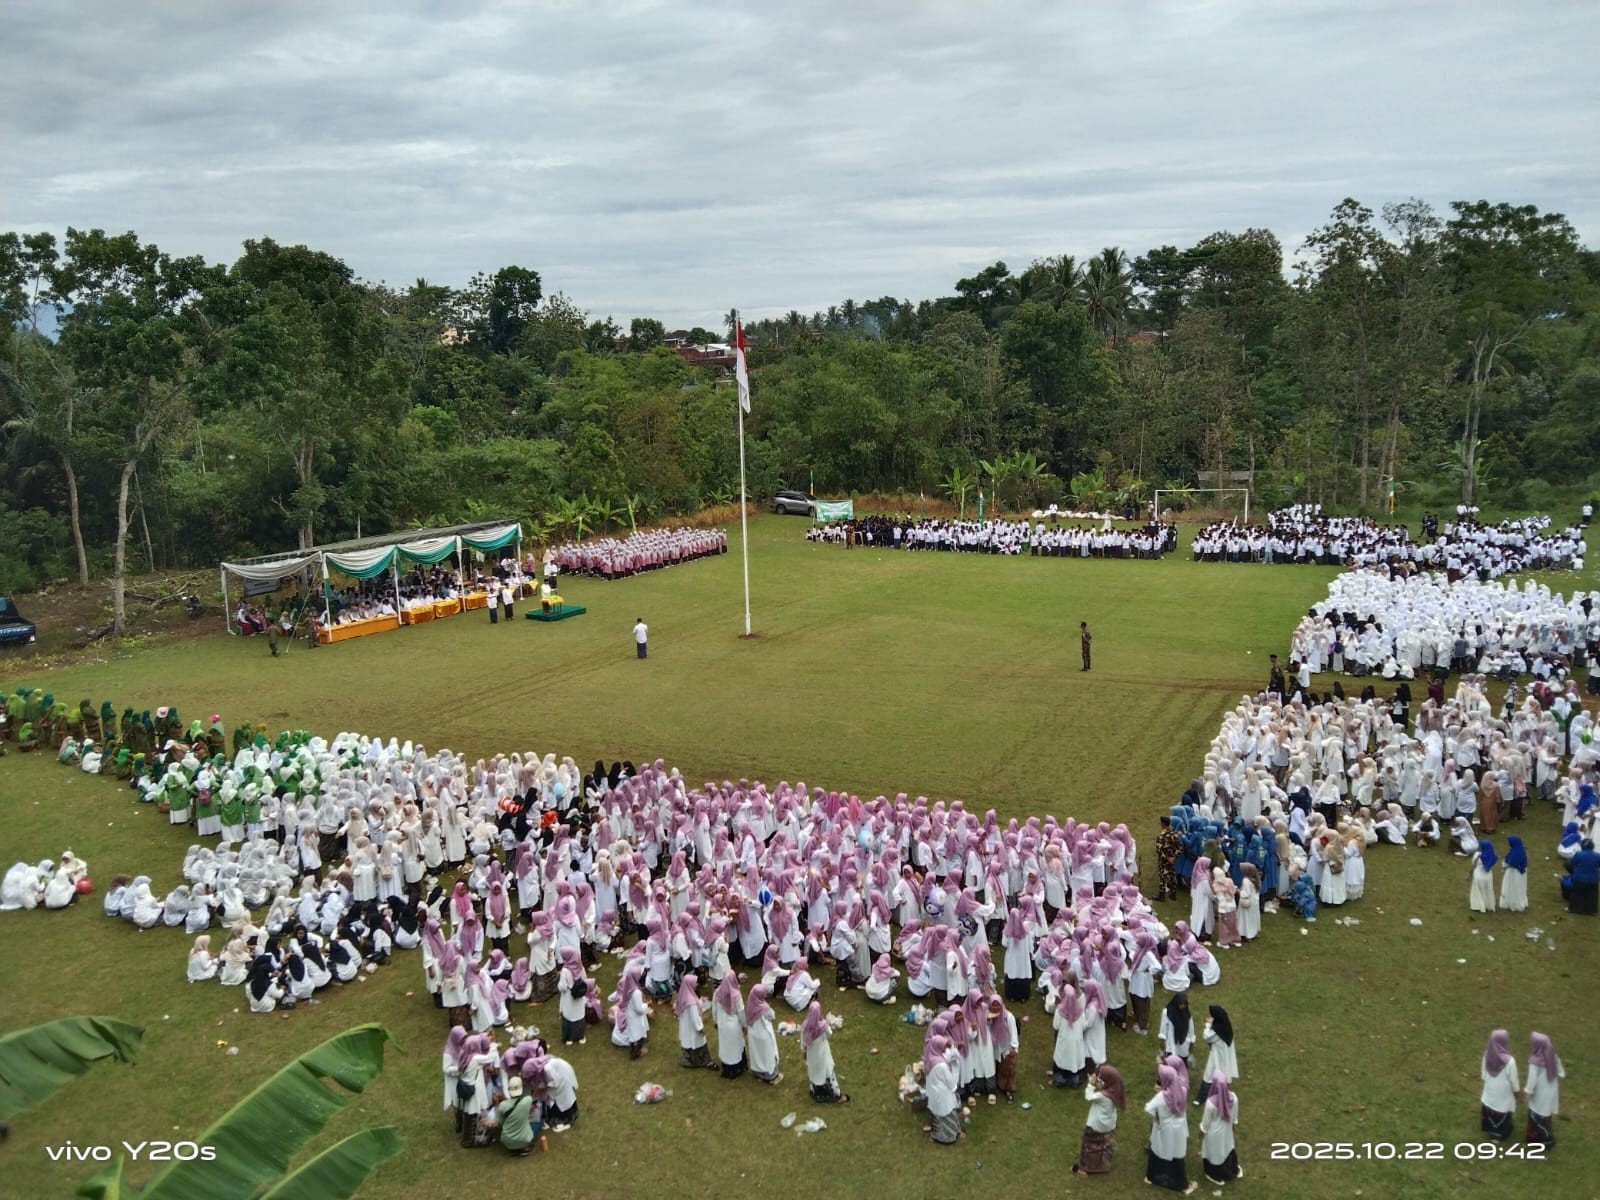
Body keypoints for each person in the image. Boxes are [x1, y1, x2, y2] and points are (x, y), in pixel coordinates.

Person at [1144, 1064, 1194, 1193]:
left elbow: (1148, 1108)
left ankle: (1154, 1176)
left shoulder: (1162, 1097)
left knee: (1159, 1150)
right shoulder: (1183, 1090)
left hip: (1164, 1128)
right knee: (1177, 1153)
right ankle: (1179, 1180)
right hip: (1179, 1127)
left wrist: (1157, 1117)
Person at [1072, 1063, 1124, 1177]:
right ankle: (1103, 1166)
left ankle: (1084, 1169)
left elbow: (1088, 1096)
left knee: (1088, 1145)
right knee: (1104, 1147)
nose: (1099, 1079)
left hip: (1096, 1125)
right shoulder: (1115, 1090)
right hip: (1109, 1125)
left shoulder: (1102, 1096)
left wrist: (1091, 1084)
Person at [801, 1001, 849, 1104]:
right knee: (828, 1071)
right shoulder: (823, 1026)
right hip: (822, 1053)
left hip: (811, 1053)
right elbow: (829, 1034)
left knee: (814, 1071)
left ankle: (815, 1091)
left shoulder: (805, 1025)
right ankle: (837, 1095)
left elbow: (803, 1041)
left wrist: (804, 1051)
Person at [1199, 1070, 1241, 1184]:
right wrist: (1232, 1128)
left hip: (1214, 1133)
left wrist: (1201, 1134)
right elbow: (1234, 1118)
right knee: (1227, 1147)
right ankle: (1232, 1169)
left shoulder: (1211, 1103)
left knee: (1214, 1153)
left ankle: (1215, 1175)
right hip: (1227, 1129)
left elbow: (1205, 1123)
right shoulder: (1234, 1098)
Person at [1479, 1028, 1518, 1141]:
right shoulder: (1510, 1061)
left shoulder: (1487, 1055)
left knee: (1491, 1106)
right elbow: (1513, 1079)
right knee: (1502, 1109)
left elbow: (1483, 1074)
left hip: (1490, 1089)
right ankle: (1499, 1134)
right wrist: (1516, 1091)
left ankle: (1491, 1130)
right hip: (1504, 1092)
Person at [1525, 1032, 1563, 1145]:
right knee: (1546, 1113)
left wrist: (1527, 1093)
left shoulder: (1534, 1062)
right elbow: (1561, 1073)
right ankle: (1547, 1138)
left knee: (1536, 1113)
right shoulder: (1554, 1058)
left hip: (1538, 1094)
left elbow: (1531, 1081)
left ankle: (1535, 1138)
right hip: (1550, 1092)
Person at [1197, 1006, 1237, 1105]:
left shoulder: (1217, 1031)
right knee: (1223, 1073)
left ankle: (1203, 1096)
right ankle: (1222, 1094)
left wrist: (1208, 1025)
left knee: (1209, 1074)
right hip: (1225, 1056)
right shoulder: (1226, 1026)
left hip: (1217, 1056)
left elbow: (1207, 1037)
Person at [495, 1075, 543, 1156]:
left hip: (507, 1141)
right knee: (540, 1122)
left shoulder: (502, 1105)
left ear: (509, 1089)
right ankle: (524, 1147)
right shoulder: (527, 1100)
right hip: (524, 1140)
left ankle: (513, 1148)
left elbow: (501, 1122)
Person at [675, 972, 715, 1070]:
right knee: (700, 1043)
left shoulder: (683, 995)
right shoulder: (691, 1002)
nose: (696, 985)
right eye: (695, 983)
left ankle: (688, 1062)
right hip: (692, 1028)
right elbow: (694, 1017)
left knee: (688, 1043)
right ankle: (704, 1061)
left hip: (685, 1027)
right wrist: (700, 1029)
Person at [1568, 839, 1599, 915]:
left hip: (1579, 879)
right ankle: (1590, 911)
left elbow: (1572, 864)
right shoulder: (1598, 855)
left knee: (1577, 895)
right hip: (1593, 880)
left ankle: (1574, 909)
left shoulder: (1579, 854)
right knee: (1592, 896)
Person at [1500, 836, 1529, 912]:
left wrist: (1504, 865)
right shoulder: (1520, 849)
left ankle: (1514, 904)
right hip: (1519, 873)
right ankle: (1518, 901)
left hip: (1514, 873)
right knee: (1518, 887)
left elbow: (1512, 862)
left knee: (1513, 887)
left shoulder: (1516, 852)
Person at [1469, 839, 1498, 913]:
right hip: (1488, 876)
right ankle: (1489, 905)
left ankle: (1478, 906)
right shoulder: (1493, 856)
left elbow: (1473, 863)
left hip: (1478, 875)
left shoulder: (1478, 855)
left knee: (1478, 891)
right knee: (1488, 889)